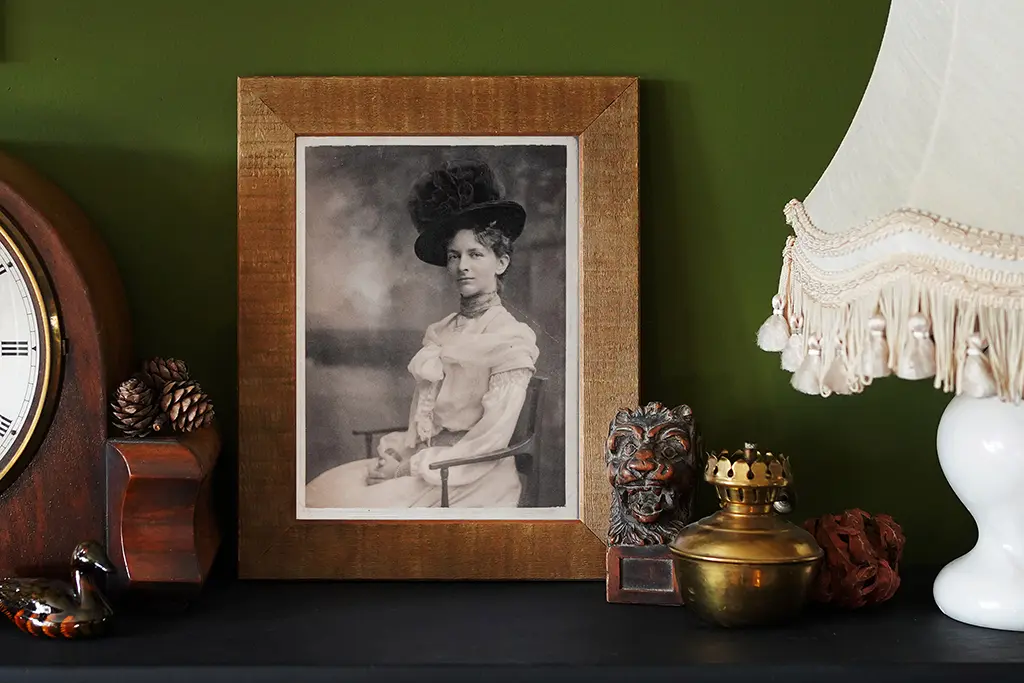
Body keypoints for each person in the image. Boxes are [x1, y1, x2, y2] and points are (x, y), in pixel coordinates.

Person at [304, 159, 540, 509]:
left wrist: (408, 469)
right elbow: (425, 418)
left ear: (501, 263)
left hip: (468, 474)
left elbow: (490, 440)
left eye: (476, 254)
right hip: (427, 460)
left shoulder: (511, 337)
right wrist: (403, 452)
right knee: (321, 490)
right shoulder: (441, 331)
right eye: (454, 256)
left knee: (340, 505)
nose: (462, 266)